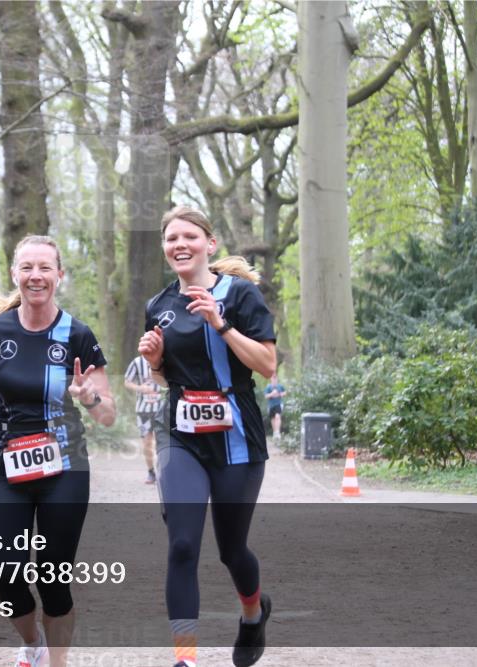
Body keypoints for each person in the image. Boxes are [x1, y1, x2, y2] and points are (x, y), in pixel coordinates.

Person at [0, 235, 115, 667]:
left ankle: (57, 663)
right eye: (27, 267)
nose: (35, 276)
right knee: (6, 573)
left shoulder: (78, 336)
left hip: (65, 468)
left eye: (45, 267)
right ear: (14, 275)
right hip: (6, 466)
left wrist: (88, 398)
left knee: (52, 576)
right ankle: (32, 643)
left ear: (59, 275)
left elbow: (108, 415)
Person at [138, 205, 276, 667]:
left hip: (238, 437)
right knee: (181, 544)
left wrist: (222, 323)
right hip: (182, 438)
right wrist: (156, 361)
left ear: (209, 244)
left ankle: (253, 614)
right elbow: (163, 380)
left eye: (189, 237)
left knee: (231, 549)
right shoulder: (158, 306)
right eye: (171, 238)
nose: (180, 244)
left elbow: (267, 364)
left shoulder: (240, 295)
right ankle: (185, 659)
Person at [124, 355, 165, 484]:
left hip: (162, 409)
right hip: (143, 410)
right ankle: (151, 472)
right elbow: (127, 382)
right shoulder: (137, 362)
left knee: (163, 442)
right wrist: (140, 388)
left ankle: (163, 472)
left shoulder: (164, 358)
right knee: (147, 443)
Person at [264, 374, 286, 442]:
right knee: (273, 419)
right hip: (271, 405)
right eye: (273, 378)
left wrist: (280, 394)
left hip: (278, 404)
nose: (274, 380)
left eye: (275, 378)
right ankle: (275, 433)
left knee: (277, 416)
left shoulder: (280, 386)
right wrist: (272, 394)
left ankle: (277, 432)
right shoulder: (268, 387)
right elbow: (266, 396)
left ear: (277, 379)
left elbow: (284, 392)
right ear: (271, 379)